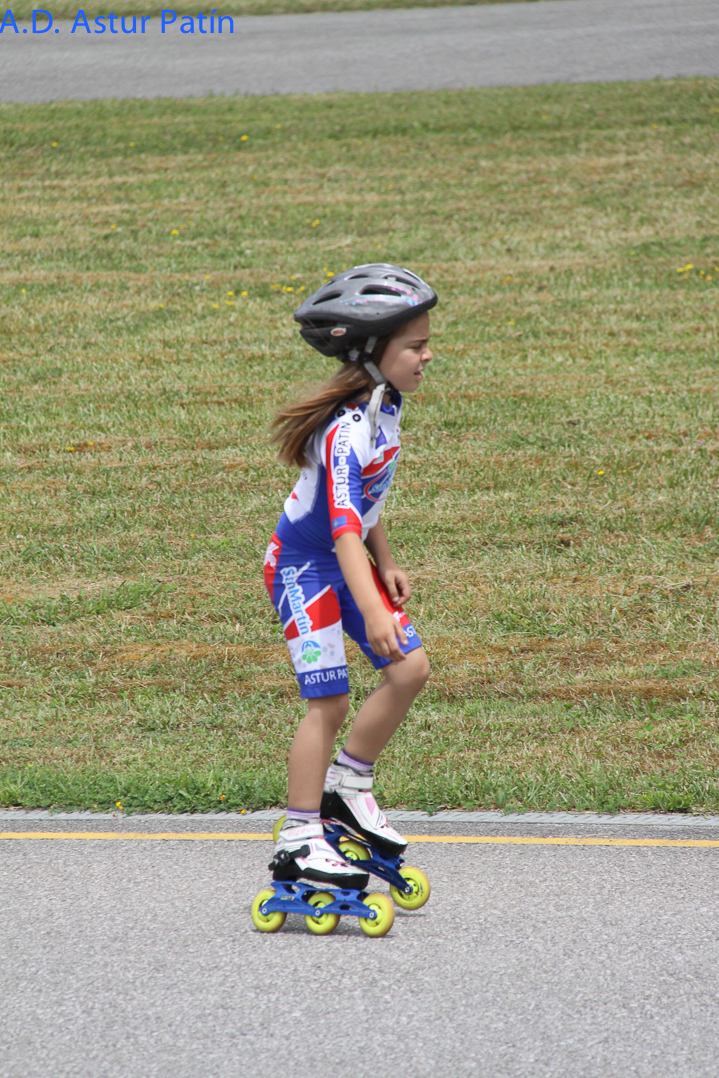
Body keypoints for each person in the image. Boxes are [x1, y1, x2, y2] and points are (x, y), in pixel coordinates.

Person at [264, 263, 436, 889]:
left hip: (347, 562)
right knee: (329, 701)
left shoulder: (385, 408)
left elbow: (365, 507)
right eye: (415, 346)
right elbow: (340, 532)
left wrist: (384, 559)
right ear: (373, 350)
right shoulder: (347, 431)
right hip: (302, 569)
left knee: (410, 669)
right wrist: (372, 607)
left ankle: (348, 786)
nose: (427, 355)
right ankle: (299, 839)